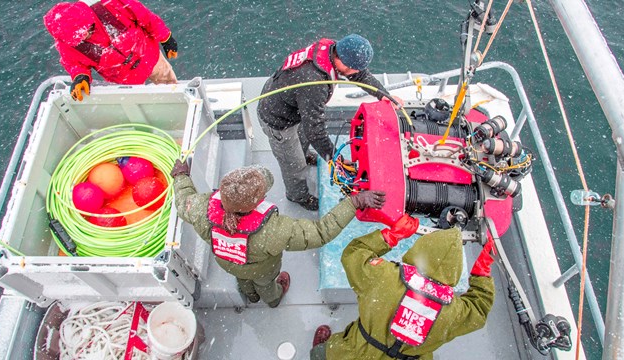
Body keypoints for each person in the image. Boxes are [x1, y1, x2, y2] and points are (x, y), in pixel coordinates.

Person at [170, 160, 386, 308]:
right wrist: (355, 201)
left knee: (243, 278)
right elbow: (321, 233)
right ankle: (272, 299)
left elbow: (182, 201)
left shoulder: (200, 208)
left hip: (228, 263)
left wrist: (180, 176)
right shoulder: (273, 231)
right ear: (255, 203)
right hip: (263, 270)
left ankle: (249, 294)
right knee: (266, 284)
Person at [310, 215, 496, 359]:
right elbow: (479, 311)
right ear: (455, 270)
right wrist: (482, 274)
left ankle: (320, 352)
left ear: (420, 249)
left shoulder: (384, 276)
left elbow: (354, 254)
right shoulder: (454, 313)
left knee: (323, 355)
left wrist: (390, 236)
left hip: (354, 354)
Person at [257, 34, 403, 211]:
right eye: (354, 68)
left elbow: (360, 75)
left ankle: (303, 154)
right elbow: (315, 133)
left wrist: (384, 95)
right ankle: (297, 196)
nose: (357, 73)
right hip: (278, 120)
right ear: (342, 61)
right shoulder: (314, 82)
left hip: (294, 104)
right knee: (294, 165)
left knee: (303, 139)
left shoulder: (331, 50)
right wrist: (337, 160)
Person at [44, 0, 179, 102]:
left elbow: (145, 17)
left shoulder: (111, 4)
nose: (86, 37)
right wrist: (80, 77)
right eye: (80, 38)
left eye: (87, 30)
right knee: (139, 101)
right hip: (125, 79)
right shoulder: (66, 44)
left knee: (169, 84)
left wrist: (165, 38)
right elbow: (74, 64)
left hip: (150, 56)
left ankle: (176, 99)